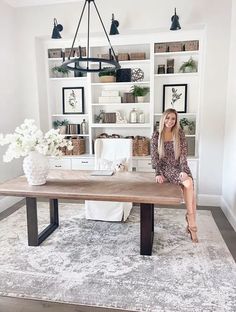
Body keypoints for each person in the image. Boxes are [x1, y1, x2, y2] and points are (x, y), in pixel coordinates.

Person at [151, 108, 198, 243]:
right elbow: (155, 158)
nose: (170, 121)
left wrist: (184, 170)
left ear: (176, 120)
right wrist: (158, 173)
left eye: (173, 119)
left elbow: (183, 155)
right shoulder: (156, 135)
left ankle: (191, 219)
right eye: (168, 118)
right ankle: (192, 222)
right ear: (163, 119)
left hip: (180, 167)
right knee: (189, 185)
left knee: (189, 184)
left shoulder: (180, 133)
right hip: (166, 168)